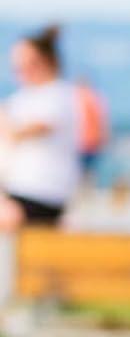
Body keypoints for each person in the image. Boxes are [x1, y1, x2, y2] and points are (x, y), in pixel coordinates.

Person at [0, 24, 80, 230]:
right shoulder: (21, 99)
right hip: (17, 190)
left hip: (42, 194)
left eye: (27, 63)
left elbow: (31, 130)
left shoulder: (59, 94)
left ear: (45, 62)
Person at [75, 74, 111, 188]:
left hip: (82, 140)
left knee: (81, 170)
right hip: (91, 140)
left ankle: (83, 190)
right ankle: (87, 190)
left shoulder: (75, 98)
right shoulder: (95, 98)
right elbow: (103, 120)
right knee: (89, 170)